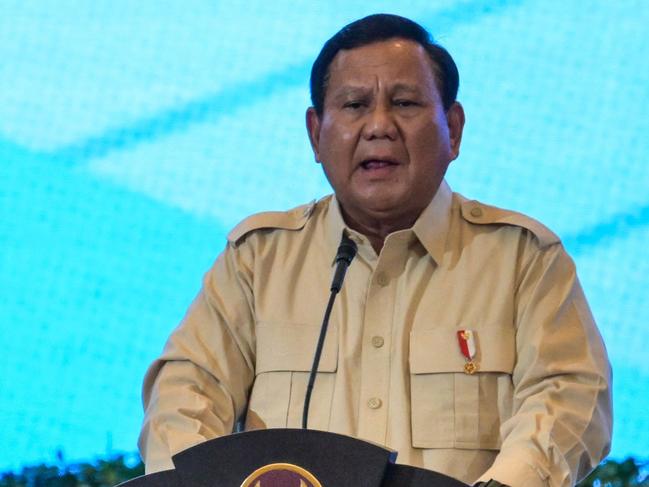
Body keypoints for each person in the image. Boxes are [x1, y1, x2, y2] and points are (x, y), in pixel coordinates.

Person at [138, 14, 612, 487]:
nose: (379, 126)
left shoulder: (523, 259)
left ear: (454, 128)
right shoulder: (257, 261)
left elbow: (567, 396)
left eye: (404, 103)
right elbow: (186, 392)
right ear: (315, 133)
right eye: (354, 105)